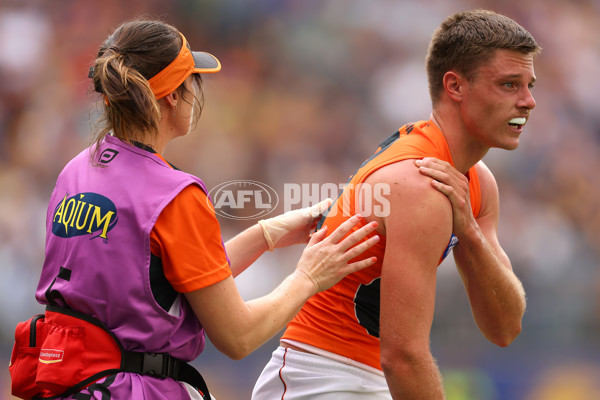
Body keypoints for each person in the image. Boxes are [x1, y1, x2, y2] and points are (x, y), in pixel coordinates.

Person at [8, 19, 381, 400]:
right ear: (173, 95)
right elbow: (239, 336)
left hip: (66, 384)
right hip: (134, 390)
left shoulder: (76, 171)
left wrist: (266, 235)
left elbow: (162, 284)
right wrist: (309, 277)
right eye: (194, 80)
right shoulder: (174, 194)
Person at [252, 9, 541, 399]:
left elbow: (504, 327)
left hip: (366, 378)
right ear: (454, 86)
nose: (528, 102)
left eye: (529, 85)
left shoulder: (476, 183)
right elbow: (402, 355)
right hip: (320, 376)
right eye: (509, 85)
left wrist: (469, 232)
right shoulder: (418, 184)